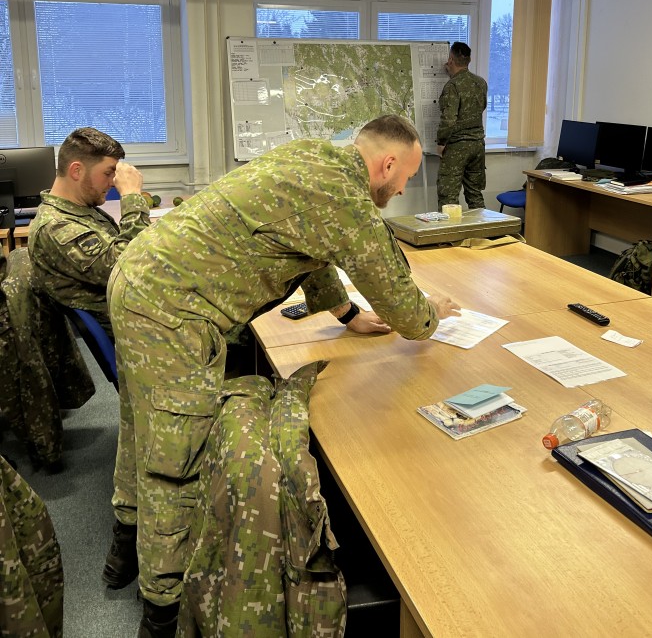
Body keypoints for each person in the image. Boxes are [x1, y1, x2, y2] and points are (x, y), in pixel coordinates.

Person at [105, 114, 459, 638]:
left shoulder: (313, 157)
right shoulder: (348, 200)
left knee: (143, 429)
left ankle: (121, 551)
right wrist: (434, 311)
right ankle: (162, 611)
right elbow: (406, 312)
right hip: (174, 313)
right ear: (387, 164)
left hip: (141, 281)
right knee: (175, 463)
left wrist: (346, 313)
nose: (404, 188)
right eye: (405, 177)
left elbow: (311, 248)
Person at [28, 127, 150, 338]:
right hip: (137, 332)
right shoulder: (56, 227)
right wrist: (132, 196)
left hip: (141, 309)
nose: (113, 182)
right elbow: (130, 267)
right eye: (108, 173)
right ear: (77, 171)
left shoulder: (80, 210)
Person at [436, 41, 488, 210]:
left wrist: (441, 142)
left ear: (451, 60)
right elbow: (481, 107)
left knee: (448, 198)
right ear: (469, 60)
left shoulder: (452, 86)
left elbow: (449, 120)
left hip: (457, 146)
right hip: (477, 145)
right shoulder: (480, 82)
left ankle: (450, 229)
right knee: (475, 194)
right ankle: (482, 227)